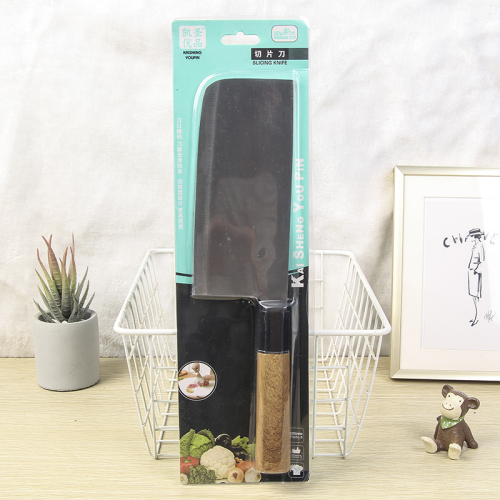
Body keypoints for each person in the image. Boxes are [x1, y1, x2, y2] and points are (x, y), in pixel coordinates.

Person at [467, 228, 485, 326]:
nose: (470, 238)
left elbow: (482, 261)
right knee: (473, 296)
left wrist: (476, 270)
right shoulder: (475, 246)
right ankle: (476, 316)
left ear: (475, 236)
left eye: (471, 236)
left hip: (475, 273)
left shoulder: (480, 246)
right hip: (472, 272)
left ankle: (477, 318)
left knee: (476, 296)